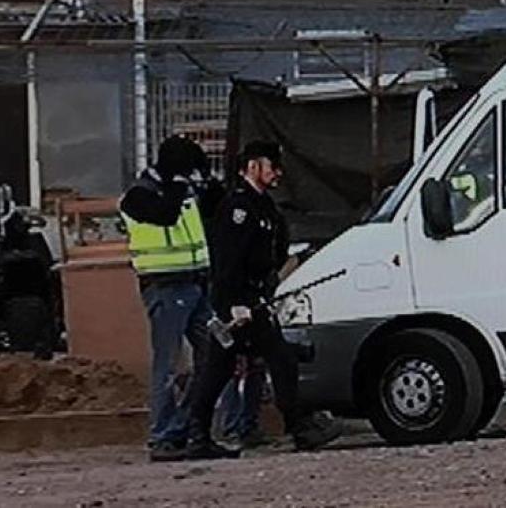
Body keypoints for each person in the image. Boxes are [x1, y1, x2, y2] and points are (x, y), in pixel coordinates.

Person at [185, 141, 340, 459]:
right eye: (272, 166)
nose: (277, 172)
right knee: (259, 361)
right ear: (254, 166)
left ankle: (200, 433)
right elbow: (227, 262)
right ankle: (298, 428)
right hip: (239, 303)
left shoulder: (264, 207)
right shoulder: (238, 208)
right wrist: (233, 305)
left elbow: (271, 252)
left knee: (233, 365)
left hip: (255, 299)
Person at [119, 135, 218, 462]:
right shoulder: (137, 195)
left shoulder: (187, 190)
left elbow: (212, 212)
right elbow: (165, 215)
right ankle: (162, 436)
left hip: (197, 285)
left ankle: (188, 426)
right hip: (164, 287)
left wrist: (207, 180)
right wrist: (179, 183)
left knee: (216, 355)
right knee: (169, 365)